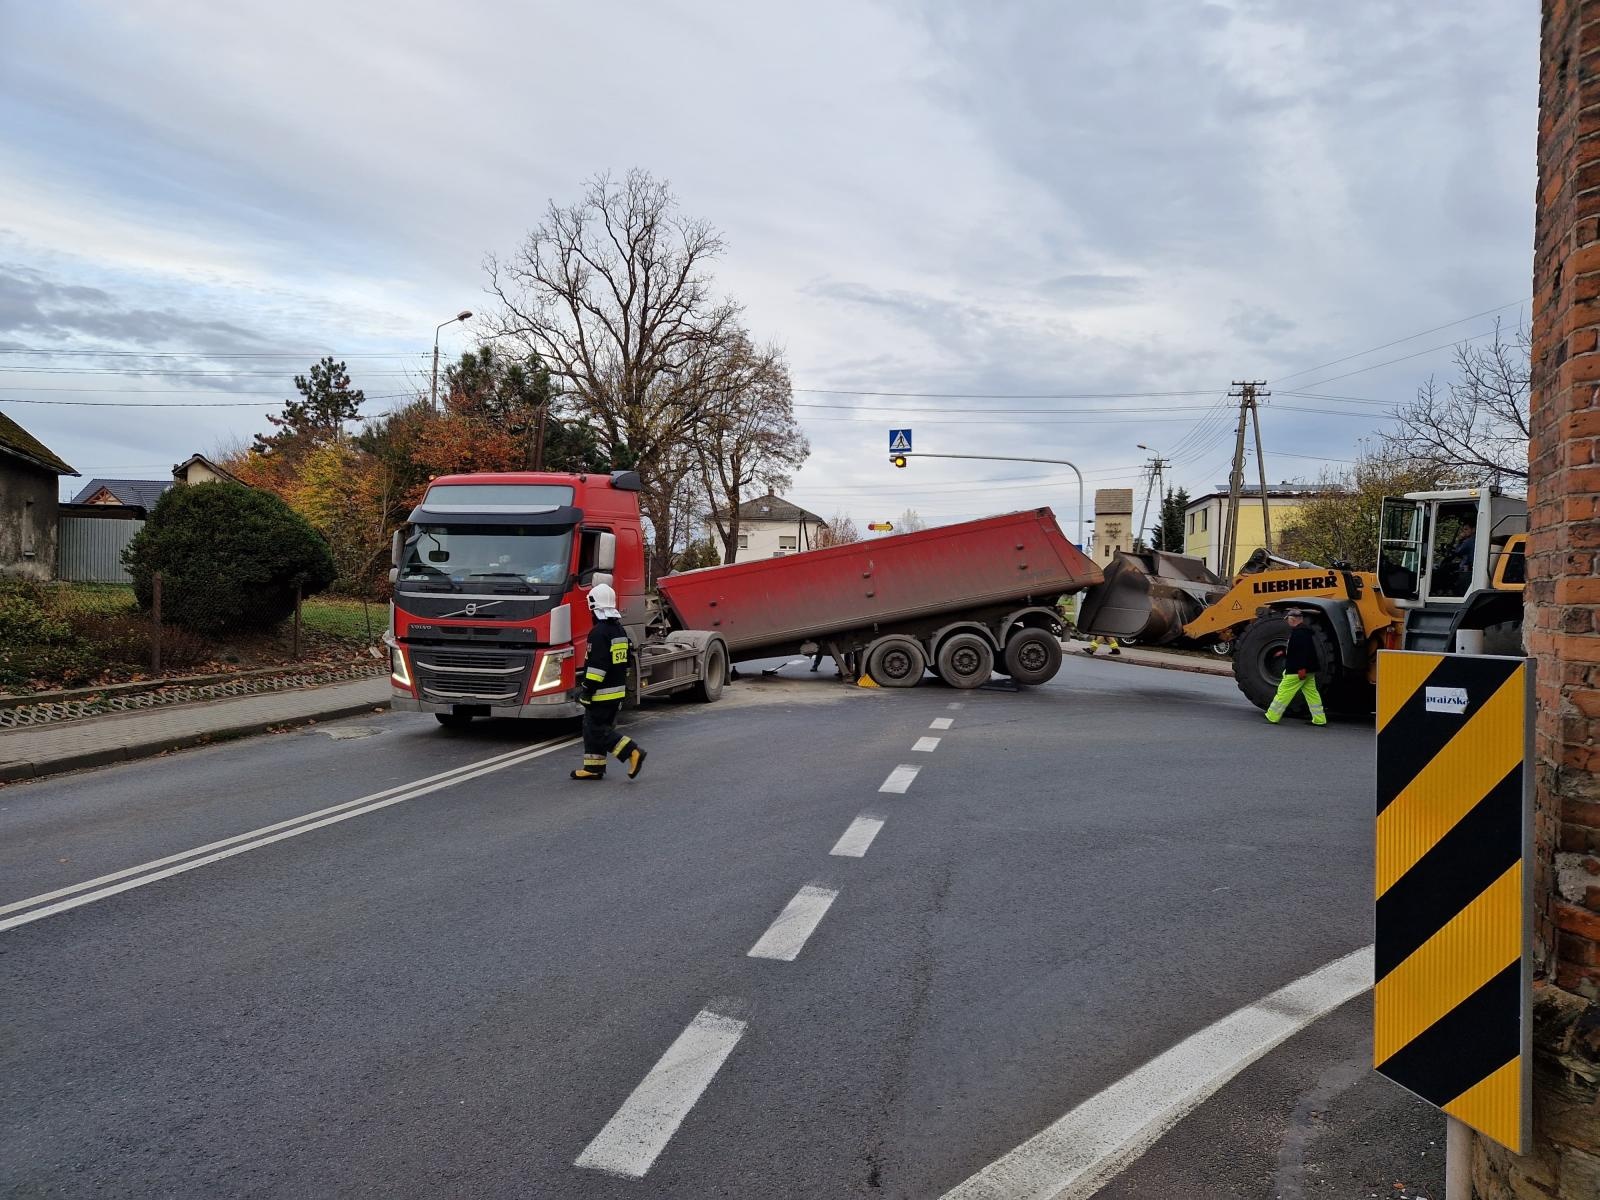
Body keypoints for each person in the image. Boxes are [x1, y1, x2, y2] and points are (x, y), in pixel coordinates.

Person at [570, 583, 647, 781]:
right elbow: (624, 662)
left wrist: (587, 689)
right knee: (591, 726)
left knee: (596, 729)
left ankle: (632, 751)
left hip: (601, 692)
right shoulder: (619, 630)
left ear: (594, 608)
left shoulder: (598, 633)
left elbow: (597, 666)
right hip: (616, 691)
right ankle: (593, 768)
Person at [1265, 609, 1327, 727]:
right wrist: (1283, 652)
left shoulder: (1299, 633)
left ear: (1292, 619)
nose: (1287, 621)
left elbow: (1302, 652)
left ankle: (1272, 715)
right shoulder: (1304, 632)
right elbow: (1297, 649)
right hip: (1308, 670)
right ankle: (1319, 718)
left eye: (1288, 619)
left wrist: (1301, 668)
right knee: (1312, 694)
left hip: (1297, 670)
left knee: (1284, 692)